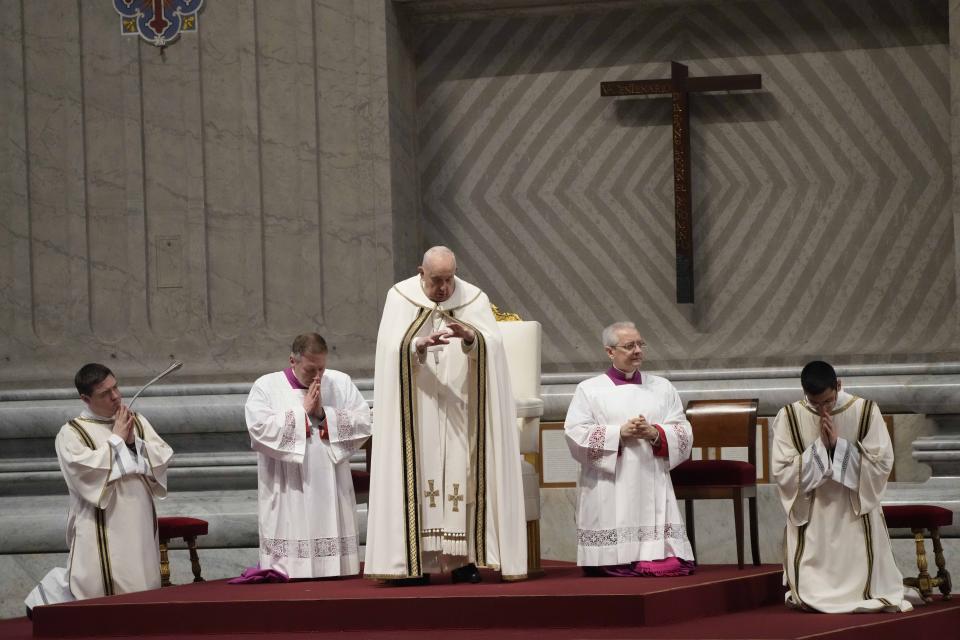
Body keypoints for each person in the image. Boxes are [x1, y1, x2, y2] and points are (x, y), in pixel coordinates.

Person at [364, 246, 527, 584]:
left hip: (460, 404)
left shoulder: (474, 298)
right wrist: (416, 346)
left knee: (461, 473)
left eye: (448, 279)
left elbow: (493, 348)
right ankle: (416, 564)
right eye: (436, 280)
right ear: (420, 272)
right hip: (417, 405)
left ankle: (461, 560)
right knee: (417, 472)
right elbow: (388, 349)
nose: (442, 288)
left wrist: (471, 338)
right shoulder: (399, 297)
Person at [25, 363, 174, 613]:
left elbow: (162, 456)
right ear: (85, 398)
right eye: (105, 393)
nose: (116, 396)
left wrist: (132, 442)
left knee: (142, 583)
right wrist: (116, 440)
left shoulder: (135, 422)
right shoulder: (71, 433)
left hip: (138, 518)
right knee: (103, 591)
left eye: (116, 387)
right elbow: (83, 472)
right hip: (101, 523)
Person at [771, 360, 919, 612]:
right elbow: (783, 472)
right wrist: (821, 449)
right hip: (814, 512)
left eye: (828, 401)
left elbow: (882, 465)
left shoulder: (865, 411)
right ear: (804, 393)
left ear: (838, 385)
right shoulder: (789, 416)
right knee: (811, 592)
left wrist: (838, 448)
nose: (822, 410)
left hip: (853, 508)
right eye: (815, 404)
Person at [564, 322, 695, 577]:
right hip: (610, 478)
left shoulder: (662, 387)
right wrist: (618, 435)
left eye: (640, 344)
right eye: (629, 346)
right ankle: (613, 555)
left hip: (650, 471)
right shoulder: (590, 389)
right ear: (610, 352)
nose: (637, 351)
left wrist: (656, 433)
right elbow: (575, 433)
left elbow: (682, 429)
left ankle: (654, 553)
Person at [244, 333, 372, 578]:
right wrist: (301, 413)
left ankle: (335, 566)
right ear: (293, 361)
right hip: (289, 483)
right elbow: (258, 429)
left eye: (321, 369)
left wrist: (325, 415)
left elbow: (364, 422)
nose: (317, 377)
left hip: (331, 479)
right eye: (310, 369)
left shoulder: (340, 382)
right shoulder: (267, 386)